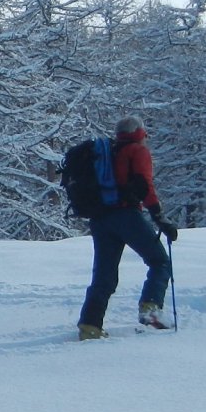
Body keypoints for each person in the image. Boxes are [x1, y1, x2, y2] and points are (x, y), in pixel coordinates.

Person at [77, 115, 177, 339]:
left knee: (104, 276)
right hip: (126, 215)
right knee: (159, 261)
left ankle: (90, 326)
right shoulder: (137, 151)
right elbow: (144, 185)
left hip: (100, 219)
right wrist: (159, 217)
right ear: (140, 133)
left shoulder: (106, 153)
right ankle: (150, 310)